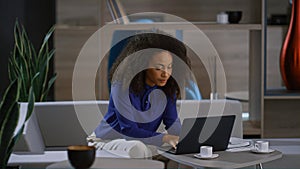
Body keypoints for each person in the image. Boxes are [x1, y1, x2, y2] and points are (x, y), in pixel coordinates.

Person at [91, 31, 192, 159]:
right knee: (139, 148)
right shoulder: (121, 86)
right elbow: (128, 131)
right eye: (158, 68)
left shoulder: (167, 89)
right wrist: (166, 138)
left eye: (169, 67)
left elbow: (173, 124)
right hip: (106, 141)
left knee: (177, 147)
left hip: (140, 142)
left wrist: (187, 141)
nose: (165, 73)